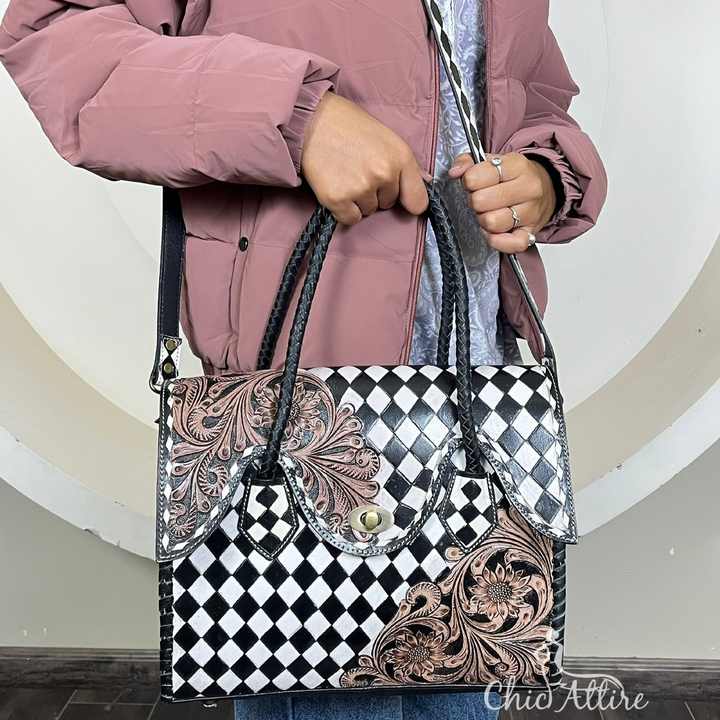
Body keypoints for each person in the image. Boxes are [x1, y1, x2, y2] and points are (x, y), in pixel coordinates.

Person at [1, 1, 606, 718]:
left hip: (475, 397)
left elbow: (527, 88)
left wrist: (545, 174)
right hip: (305, 405)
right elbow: (56, 37)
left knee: (463, 682)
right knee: (312, 676)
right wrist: (298, 117)